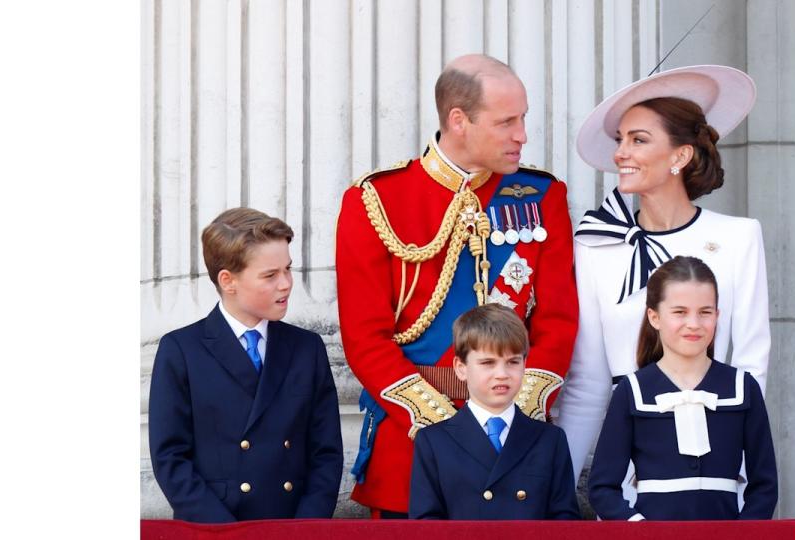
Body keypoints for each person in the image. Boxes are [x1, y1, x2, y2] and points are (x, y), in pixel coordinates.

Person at [335, 53, 579, 517]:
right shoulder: (376, 200)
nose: (522, 134)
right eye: (506, 121)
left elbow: (559, 321)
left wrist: (515, 409)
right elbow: (365, 338)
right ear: (458, 120)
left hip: (515, 441)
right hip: (414, 440)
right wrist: (445, 427)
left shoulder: (542, 196)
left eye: (523, 118)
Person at [555, 65, 771, 494]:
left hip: (714, 458)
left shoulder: (737, 237)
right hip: (628, 463)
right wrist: (556, 490)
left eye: (638, 140)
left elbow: (751, 369)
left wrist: (744, 483)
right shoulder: (596, 245)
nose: (621, 153)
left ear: (680, 156)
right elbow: (588, 386)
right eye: (620, 140)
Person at [149, 208, 343, 522]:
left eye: (288, 270)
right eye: (270, 275)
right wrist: (225, 533)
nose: (286, 284)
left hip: (292, 527)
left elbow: (326, 453)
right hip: (214, 528)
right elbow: (170, 459)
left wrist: (306, 529)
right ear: (228, 281)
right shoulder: (182, 350)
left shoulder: (307, 348)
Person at [588, 256, 777, 520]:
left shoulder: (743, 388)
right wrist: (640, 530)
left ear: (718, 315)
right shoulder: (631, 391)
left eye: (705, 312)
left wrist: (742, 534)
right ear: (654, 317)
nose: (694, 324)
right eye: (680, 312)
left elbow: (765, 486)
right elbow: (601, 488)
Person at [409, 304, 580, 520]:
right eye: (488, 363)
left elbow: (565, 521)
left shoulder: (550, 439)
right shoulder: (433, 441)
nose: (502, 374)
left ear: (525, 364)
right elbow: (426, 524)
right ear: (461, 368)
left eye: (513, 362)